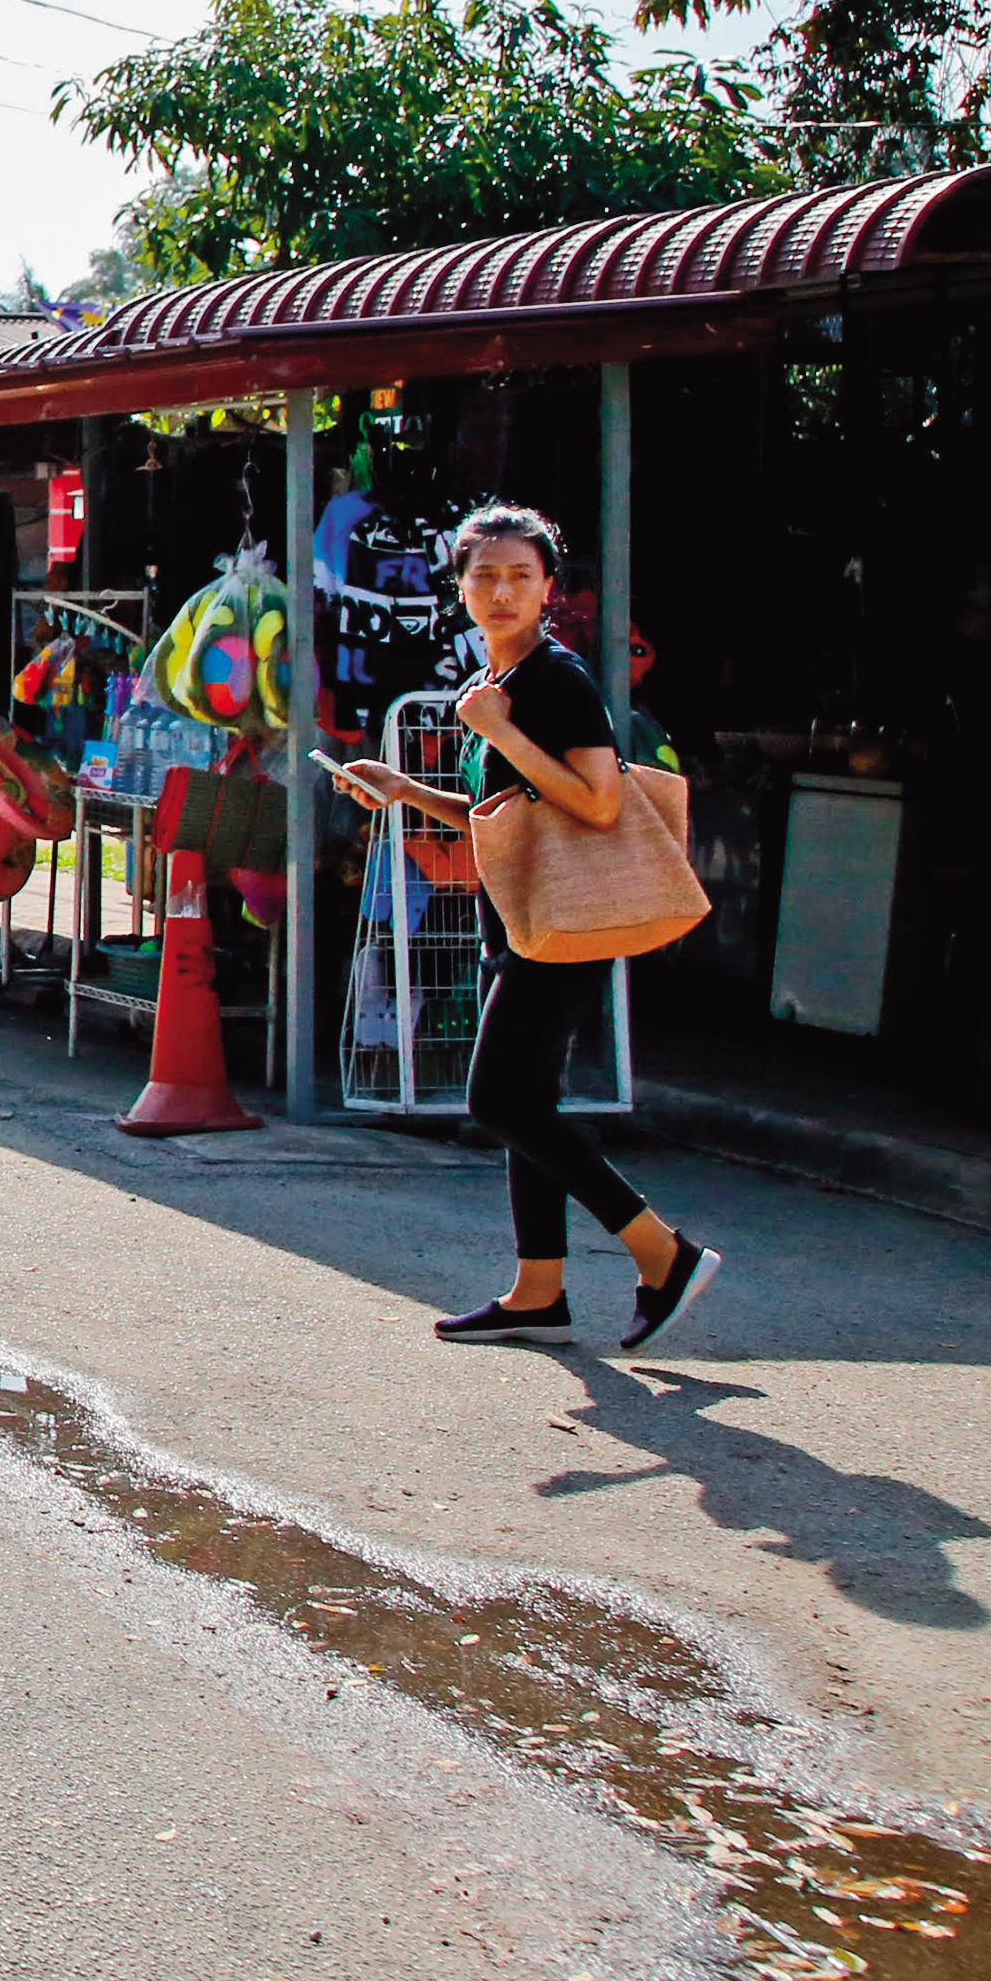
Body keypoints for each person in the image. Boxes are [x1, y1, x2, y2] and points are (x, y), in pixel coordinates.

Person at [328, 504, 718, 1351]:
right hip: (519, 916)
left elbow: (598, 800)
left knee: (497, 1099)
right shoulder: (492, 688)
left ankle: (660, 1251)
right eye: (485, 575)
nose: (502, 591)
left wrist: (500, 729)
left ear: (549, 589)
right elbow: (499, 813)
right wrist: (403, 788)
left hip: (564, 924)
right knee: (524, 1102)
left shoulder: (554, 682)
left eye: (522, 576)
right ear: (460, 586)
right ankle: (538, 1289)